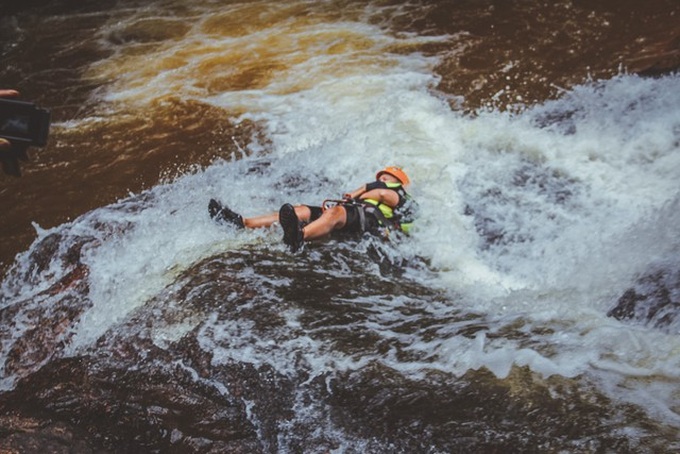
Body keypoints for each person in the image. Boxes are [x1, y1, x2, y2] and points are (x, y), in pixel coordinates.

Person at [209, 166, 417, 252]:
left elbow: (381, 196)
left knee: (334, 213)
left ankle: (299, 236)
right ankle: (245, 223)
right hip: (353, 214)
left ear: (397, 181)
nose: (381, 178)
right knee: (303, 210)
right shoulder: (380, 188)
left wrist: (358, 195)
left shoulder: (396, 193)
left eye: (386, 176)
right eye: (380, 176)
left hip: (369, 221)